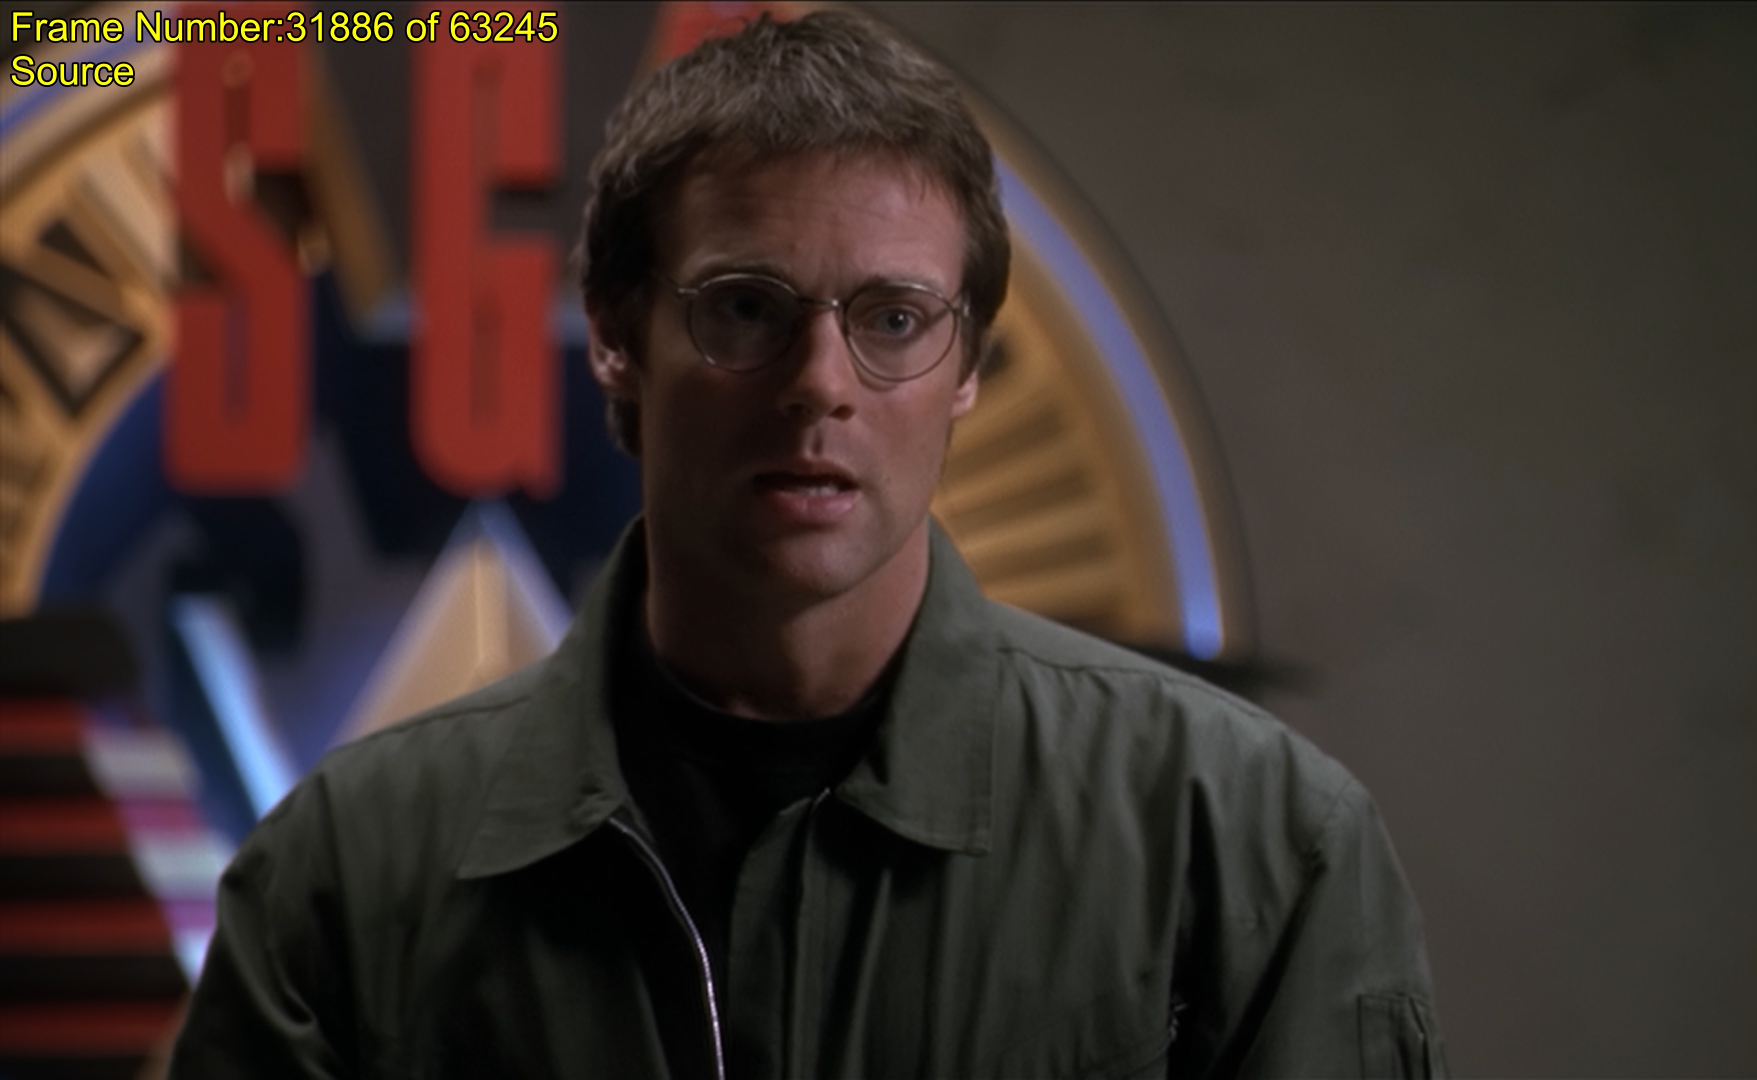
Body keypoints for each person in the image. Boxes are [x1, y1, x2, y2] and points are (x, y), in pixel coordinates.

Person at [170, 12, 1444, 1078]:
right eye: (746, 307)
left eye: (893, 318)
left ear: (968, 364)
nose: (820, 383)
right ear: (614, 335)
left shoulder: (1248, 845)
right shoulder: (342, 876)